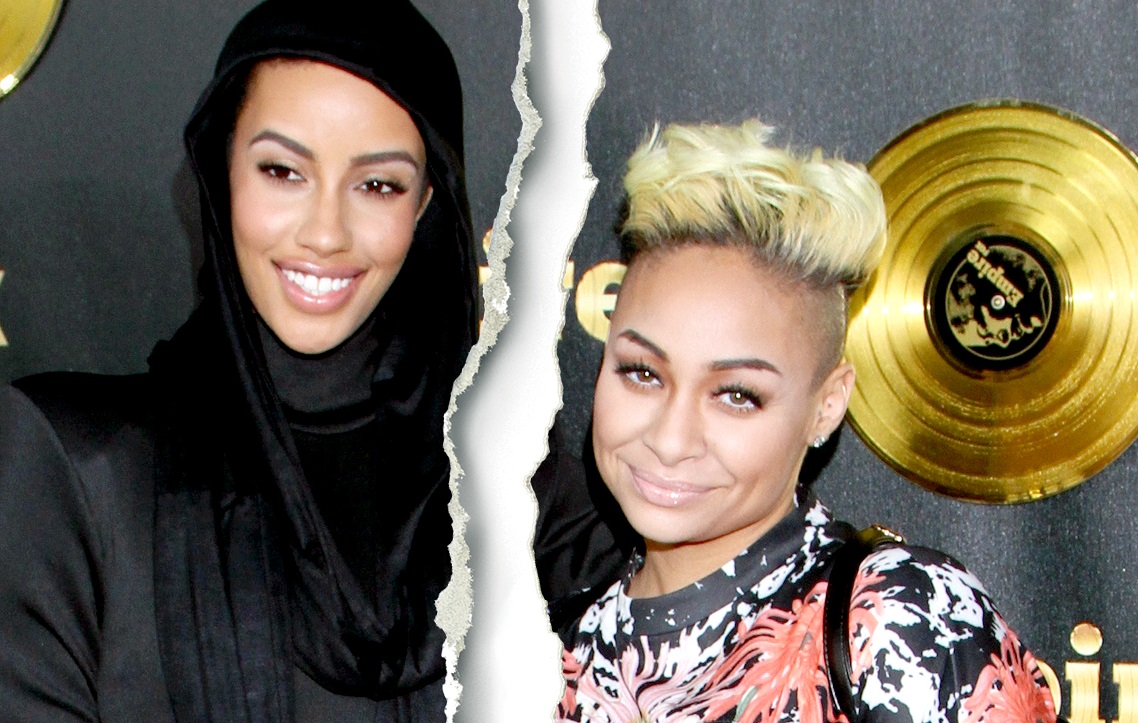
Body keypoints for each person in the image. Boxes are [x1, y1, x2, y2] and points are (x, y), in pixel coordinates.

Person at [0, 1, 477, 720]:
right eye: (283, 171)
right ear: (223, 169)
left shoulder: (508, 494)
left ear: (426, 201)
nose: (325, 232)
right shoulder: (75, 468)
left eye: (378, 184)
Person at [555, 120, 1058, 723]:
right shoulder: (552, 655)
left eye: (736, 395)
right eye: (642, 373)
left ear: (828, 404)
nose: (670, 438)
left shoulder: (898, 619)